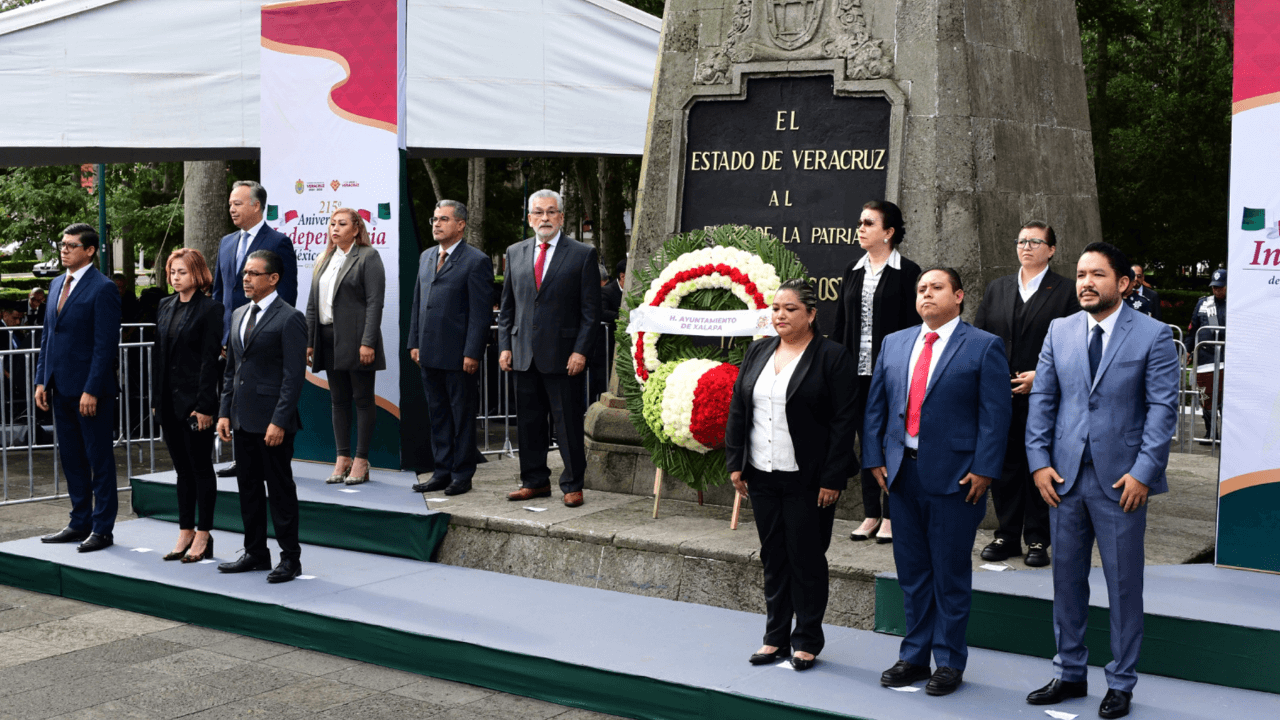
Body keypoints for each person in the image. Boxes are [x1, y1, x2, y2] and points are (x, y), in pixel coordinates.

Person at [1024, 242, 1179, 719]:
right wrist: (1038, 462)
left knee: (1124, 586)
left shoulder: (1153, 335)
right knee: (1066, 582)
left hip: (1122, 483)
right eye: (1080, 275)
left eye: (1097, 275)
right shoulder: (1060, 330)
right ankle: (1070, 672)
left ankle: (1121, 682)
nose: (1086, 283)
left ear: (1123, 283)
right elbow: (1043, 399)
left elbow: (1162, 410)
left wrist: (1144, 473)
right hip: (1063, 478)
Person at [863, 267, 1011, 696]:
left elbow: (996, 415)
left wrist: (985, 469)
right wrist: (874, 457)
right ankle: (913, 656)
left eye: (936, 288)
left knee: (949, 575)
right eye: (921, 289)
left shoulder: (983, 346)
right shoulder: (895, 343)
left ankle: (948, 661)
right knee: (912, 574)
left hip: (956, 479)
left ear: (958, 296)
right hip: (901, 474)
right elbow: (876, 406)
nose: (926, 294)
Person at [725, 279, 857, 672]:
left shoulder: (832, 356)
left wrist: (833, 477)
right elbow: (739, 408)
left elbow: (843, 422)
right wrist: (736, 462)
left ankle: (807, 640)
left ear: (811, 314)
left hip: (809, 479)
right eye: (775, 308)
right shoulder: (758, 350)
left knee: (806, 558)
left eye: (790, 309)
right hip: (762, 474)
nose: (779, 315)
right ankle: (775, 637)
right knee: (774, 557)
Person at [973, 221, 1079, 568]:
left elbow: (1076, 344)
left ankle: (1037, 538)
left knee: (1040, 463)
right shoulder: (998, 288)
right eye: (1021, 241)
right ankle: (1006, 534)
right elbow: (981, 336)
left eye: (1035, 241)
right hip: (1001, 395)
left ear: (1051, 249)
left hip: (1044, 396)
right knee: (1005, 465)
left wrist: (1043, 376)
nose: (1027, 247)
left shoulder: (1066, 291)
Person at [497, 189, 601, 507]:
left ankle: (572, 484)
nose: (545, 217)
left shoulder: (582, 254)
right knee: (529, 424)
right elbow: (508, 307)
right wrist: (505, 346)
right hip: (523, 355)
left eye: (551, 211)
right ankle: (534, 481)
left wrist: (581, 351)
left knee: (567, 424)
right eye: (539, 212)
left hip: (564, 356)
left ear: (561, 217)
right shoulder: (515, 252)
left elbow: (591, 312)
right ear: (530, 218)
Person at [831, 199, 922, 544]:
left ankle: (892, 514)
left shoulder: (908, 272)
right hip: (856, 375)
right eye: (860, 222)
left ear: (889, 232)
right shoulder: (852, 270)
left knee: (892, 442)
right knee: (866, 441)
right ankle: (871, 513)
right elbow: (841, 324)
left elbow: (914, 327)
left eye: (869, 223)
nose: (861, 229)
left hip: (894, 374)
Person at [216, 250, 307, 583]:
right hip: (242, 419)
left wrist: (279, 421)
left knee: (280, 491)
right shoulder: (239, 313)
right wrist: (224, 412)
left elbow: (293, 377)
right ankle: (255, 552)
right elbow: (232, 371)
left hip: (273, 423)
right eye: (245, 273)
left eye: (253, 273)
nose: (246, 278)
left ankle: (290, 558)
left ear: (273, 278)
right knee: (248, 489)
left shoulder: (290, 317)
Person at [34, 224, 122, 553]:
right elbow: (48, 337)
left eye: (72, 245)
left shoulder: (103, 288)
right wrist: (41, 380)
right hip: (59, 388)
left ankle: (102, 528)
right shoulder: (57, 283)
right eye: (63, 244)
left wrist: (92, 389)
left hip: (91, 392)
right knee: (71, 458)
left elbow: (105, 345)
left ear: (90, 250)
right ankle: (79, 521)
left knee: (99, 459)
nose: (64, 249)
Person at [212, 180, 297, 479]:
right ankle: (241, 458)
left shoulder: (277, 242)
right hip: (232, 336)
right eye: (230, 204)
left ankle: (269, 457)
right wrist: (222, 335)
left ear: (256, 205)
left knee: (260, 392)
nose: (231, 209)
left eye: (237, 203)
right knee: (235, 391)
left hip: (264, 337)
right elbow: (220, 293)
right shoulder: (226, 242)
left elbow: (287, 294)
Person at [407, 200, 491, 496]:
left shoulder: (476, 260)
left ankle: (462, 474)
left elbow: (480, 313)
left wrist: (472, 352)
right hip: (428, 352)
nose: (436, 224)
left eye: (443, 219)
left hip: (458, 356)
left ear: (460, 224)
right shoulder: (427, 256)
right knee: (439, 416)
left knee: (461, 418)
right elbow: (418, 302)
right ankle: (441, 472)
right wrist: (414, 342)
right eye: (434, 219)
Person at [151, 249, 224, 563]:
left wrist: (206, 406)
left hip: (195, 405)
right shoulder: (164, 305)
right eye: (172, 272)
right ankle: (185, 530)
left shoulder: (211, 309)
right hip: (168, 402)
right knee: (182, 470)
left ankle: (204, 533)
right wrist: (156, 401)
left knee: (200, 468)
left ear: (197, 273)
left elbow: (210, 362)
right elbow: (158, 356)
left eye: (181, 272)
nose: (175, 277)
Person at [305, 208, 386, 486]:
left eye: (341, 224)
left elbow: (375, 303)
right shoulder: (323, 258)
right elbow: (313, 303)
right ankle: (342, 458)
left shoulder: (368, 256)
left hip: (357, 340)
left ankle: (361, 460)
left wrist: (368, 342)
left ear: (356, 229)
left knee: (362, 399)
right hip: (327, 339)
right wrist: (309, 341)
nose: (334, 228)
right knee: (338, 400)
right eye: (332, 224)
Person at [1186, 269, 1226, 444]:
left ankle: (1227, 434)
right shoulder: (1203, 303)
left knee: (1224, 399)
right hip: (1204, 359)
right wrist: (1188, 350)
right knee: (1206, 397)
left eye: (1220, 287)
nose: (1216, 290)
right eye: (1214, 287)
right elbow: (1192, 329)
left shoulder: (1235, 304)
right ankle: (1210, 432)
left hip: (1226, 359)